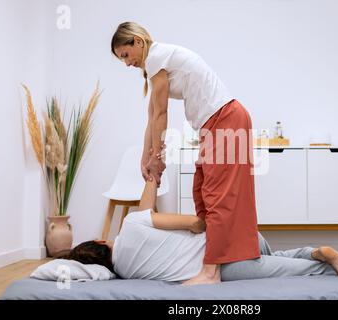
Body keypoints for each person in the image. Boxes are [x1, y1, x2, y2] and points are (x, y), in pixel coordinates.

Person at [111, 22, 260, 285]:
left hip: (225, 119)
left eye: (125, 55)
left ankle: (211, 272)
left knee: (217, 197)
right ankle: (213, 253)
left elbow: (161, 115)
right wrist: (146, 157)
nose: (126, 63)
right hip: (214, 124)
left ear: (137, 42)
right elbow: (151, 115)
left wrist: (157, 159)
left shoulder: (156, 56)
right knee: (202, 190)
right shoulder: (155, 65)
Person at [66, 178, 338, 282]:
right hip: (240, 244)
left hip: (235, 264)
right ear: (102, 239)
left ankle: (324, 256)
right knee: (295, 259)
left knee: (310, 267)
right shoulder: (131, 224)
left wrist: (151, 180)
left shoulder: (128, 273)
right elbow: (193, 222)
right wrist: (153, 178)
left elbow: (146, 210)